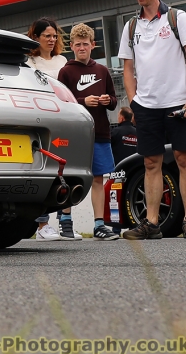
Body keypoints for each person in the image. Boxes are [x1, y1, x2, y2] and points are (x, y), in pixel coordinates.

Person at [118, 0, 186, 239]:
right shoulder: (131, 26)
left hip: (178, 102)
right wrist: (134, 104)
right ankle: (151, 224)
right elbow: (127, 70)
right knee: (151, 163)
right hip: (146, 106)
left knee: (184, 159)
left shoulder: (178, 18)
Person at [57, 23, 118, 240]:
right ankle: (65, 220)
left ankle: (99, 225)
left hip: (100, 132)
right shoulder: (65, 72)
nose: (82, 48)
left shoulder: (102, 70)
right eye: (77, 44)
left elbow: (114, 100)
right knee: (70, 177)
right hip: (76, 134)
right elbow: (61, 101)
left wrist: (106, 100)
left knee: (99, 179)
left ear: (93, 45)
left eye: (85, 44)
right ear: (71, 46)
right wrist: (83, 101)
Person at [25, 16, 70, 240]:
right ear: (36, 37)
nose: (52, 40)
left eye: (54, 36)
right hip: (40, 119)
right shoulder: (29, 63)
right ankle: (42, 225)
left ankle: (63, 222)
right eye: (47, 36)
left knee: (62, 171)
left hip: (62, 118)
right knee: (43, 168)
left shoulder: (63, 61)